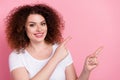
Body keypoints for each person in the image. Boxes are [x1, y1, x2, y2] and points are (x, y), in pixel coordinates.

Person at [5, 3, 103, 80]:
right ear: (23, 29)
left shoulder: (61, 50)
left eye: (43, 24)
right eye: (32, 25)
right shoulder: (17, 56)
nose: (39, 29)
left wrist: (86, 70)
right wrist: (55, 58)